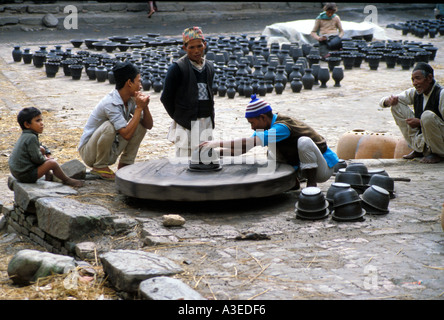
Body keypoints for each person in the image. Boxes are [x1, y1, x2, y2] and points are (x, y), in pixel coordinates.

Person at [200, 95, 339, 189]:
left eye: (252, 123)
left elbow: (247, 142)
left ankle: (311, 187)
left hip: (322, 169)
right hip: (302, 166)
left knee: (304, 142)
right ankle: (293, 182)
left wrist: (216, 143)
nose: (252, 127)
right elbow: (243, 148)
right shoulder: (265, 127)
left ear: (262, 117)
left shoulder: (282, 127)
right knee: (272, 150)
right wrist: (216, 153)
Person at [78, 61, 153, 180]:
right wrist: (139, 108)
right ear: (129, 82)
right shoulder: (110, 102)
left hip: (110, 149)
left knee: (140, 126)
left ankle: (126, 166)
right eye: (138, 81)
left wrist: (145, 106)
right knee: (109, 126)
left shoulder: (131, 99)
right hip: (90, 153)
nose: (141, 85)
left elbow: (148, 125)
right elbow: (126, 135)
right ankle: (99, 167)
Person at [161, 26, 215, 159]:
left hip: (206, 119)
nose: (196, 50)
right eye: (191, 47)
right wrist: (179, 116)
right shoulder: (177, 68)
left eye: (199, 46)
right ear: (184, 48)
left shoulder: (209, 66)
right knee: (185, 159)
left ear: (205, 45)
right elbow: (166, 98)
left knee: (205, 157)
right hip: (186, 122)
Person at [379, 62, 444, 164]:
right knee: (396, 105)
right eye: (413, 80)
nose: (414, 83)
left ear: (429, 78)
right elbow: (385, 101)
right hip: (425, 138)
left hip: (441, 141)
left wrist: (420, 122)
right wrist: (389, 101)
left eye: (418, 78)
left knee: (427, 116)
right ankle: (420, 149)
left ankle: (438, 154)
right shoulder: (416, 92)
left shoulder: (441, 94)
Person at [9, 107, 83, 187]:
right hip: (26, 176)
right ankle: (67, 180)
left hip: (19, 173)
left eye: (41, 120)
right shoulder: (31, 137)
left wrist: (47, 153)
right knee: (52, 163)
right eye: (37, 121)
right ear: (27, 124)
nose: (42, 123)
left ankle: (49, 177)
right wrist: (47, 160)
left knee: (42, 149)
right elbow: (37, 159)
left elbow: (40, 147)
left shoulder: (26, 135)